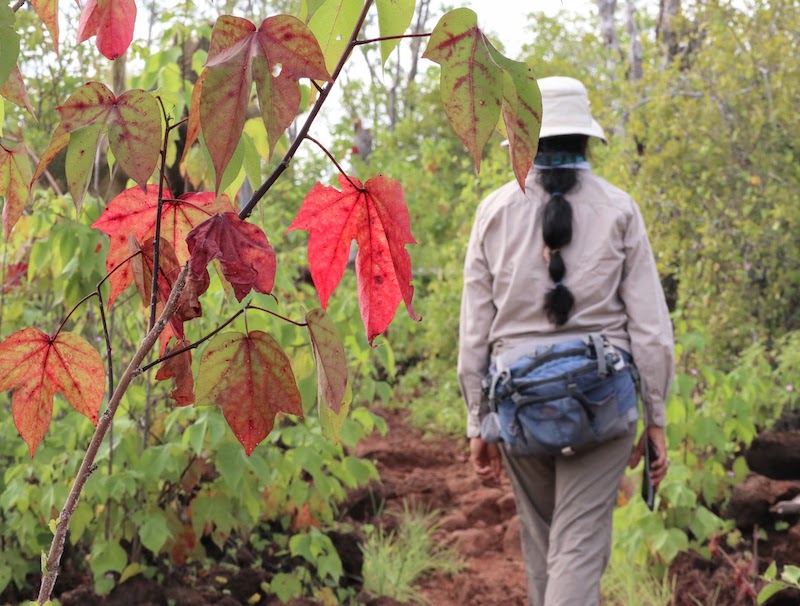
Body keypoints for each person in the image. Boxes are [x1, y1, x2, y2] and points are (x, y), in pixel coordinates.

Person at [457, 76, 675, 606]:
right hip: (605, 405)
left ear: (523, 141)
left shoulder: (493, 211)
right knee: (578, 551)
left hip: (520, 405)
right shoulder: (620, 209)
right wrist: (657, 418)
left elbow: (474, 333)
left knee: (543, 546)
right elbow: (650, 329)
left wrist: (478, 420)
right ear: (586, 139)